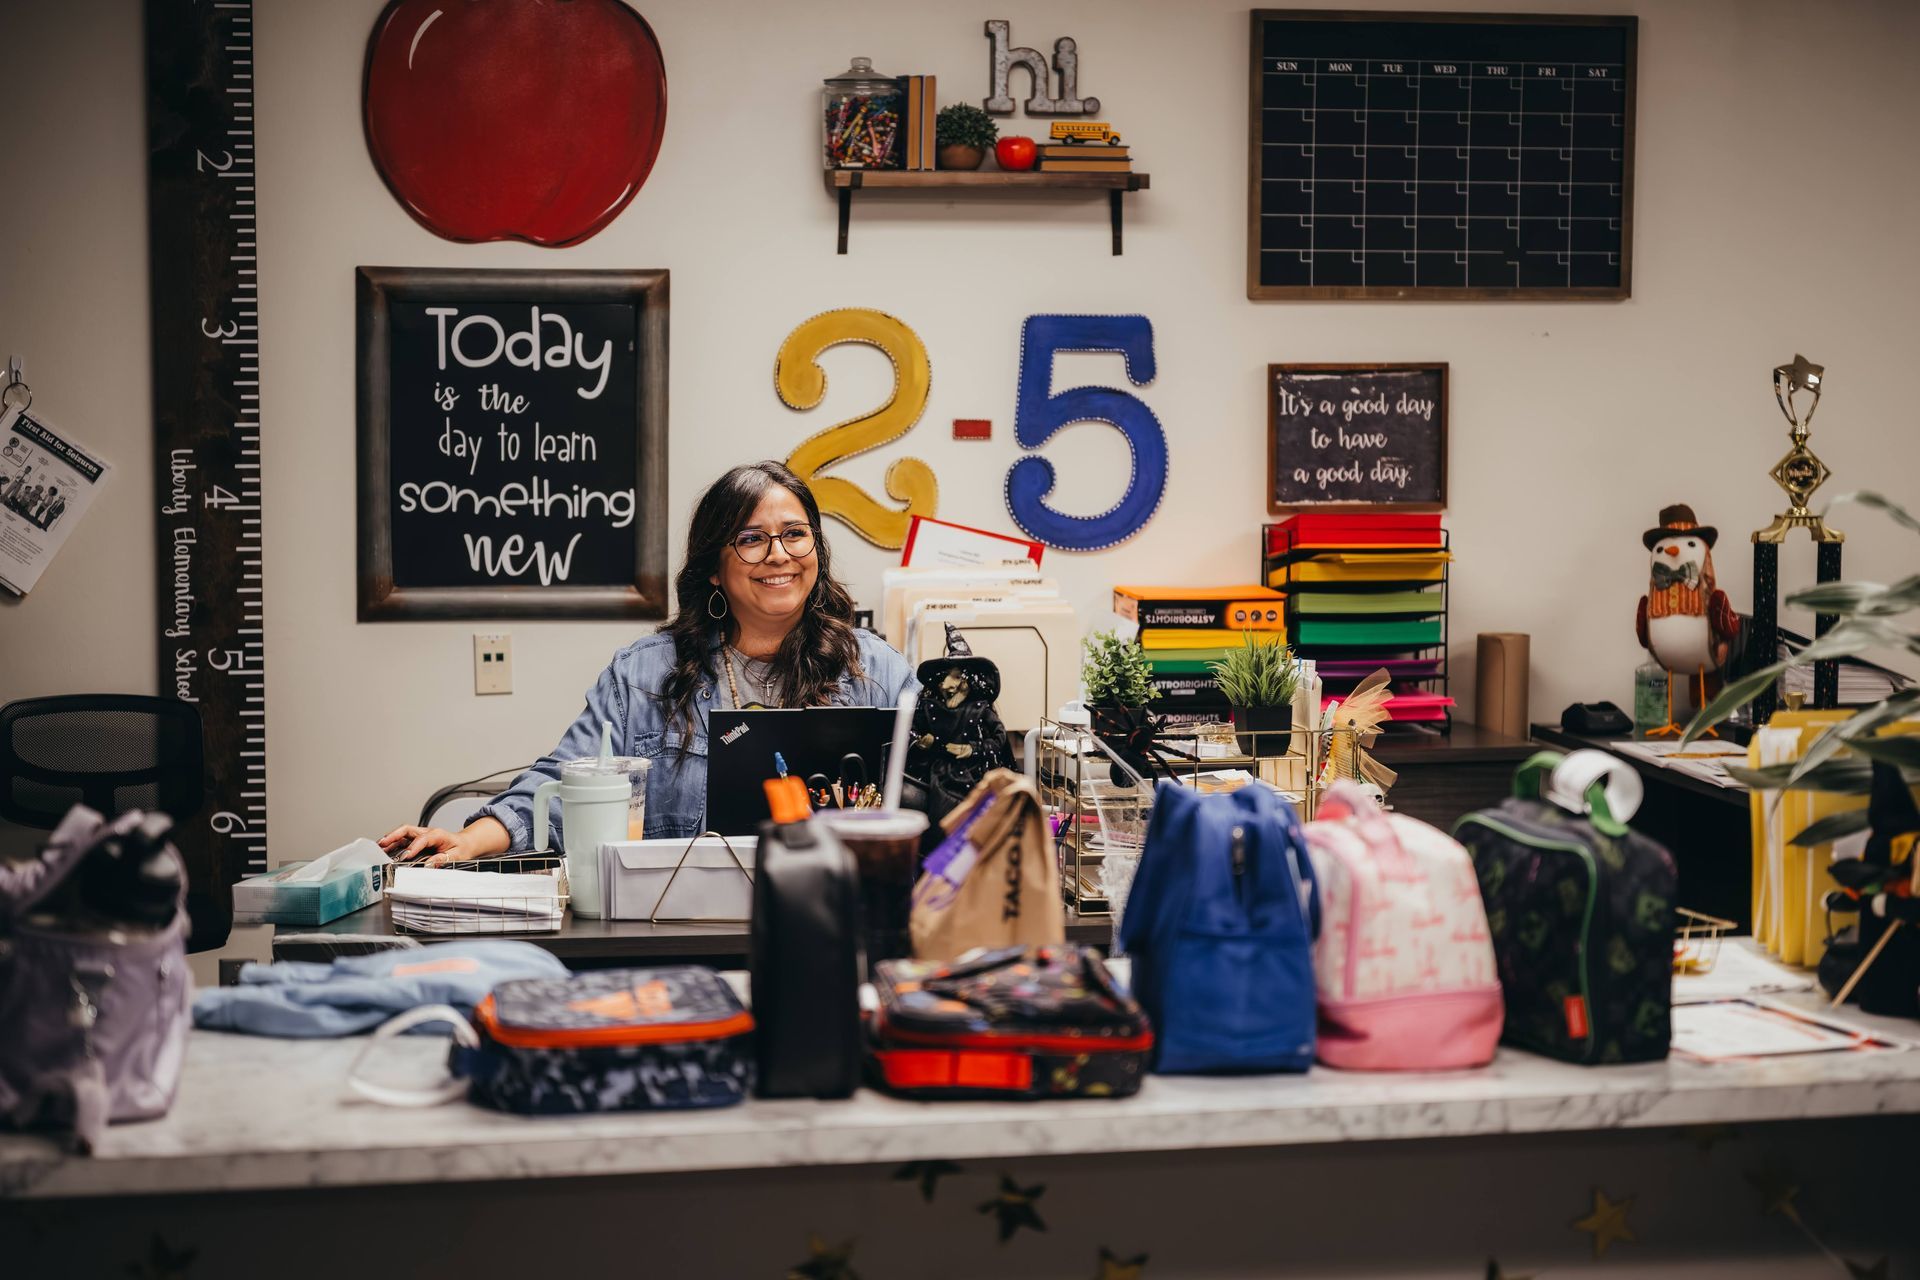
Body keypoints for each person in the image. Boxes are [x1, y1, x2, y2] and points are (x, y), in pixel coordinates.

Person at [379, 461, 917, 863]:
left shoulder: (875, 669)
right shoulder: (644, 675)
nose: (778, 554)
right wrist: (469, 840)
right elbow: (566, 785)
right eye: (750, 539)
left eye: (796, 534)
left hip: (836, 927)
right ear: (713, 569)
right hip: (682, 931)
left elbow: (939, 801)